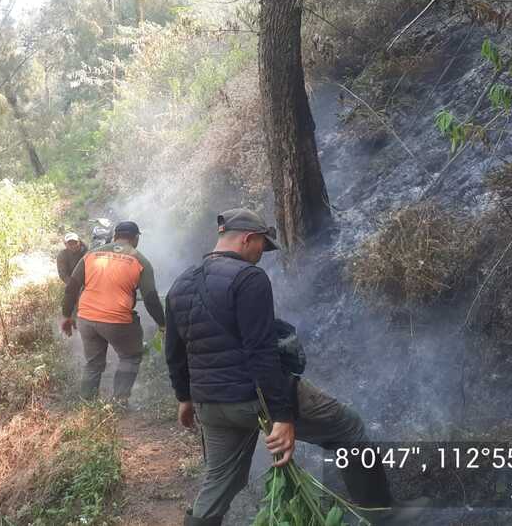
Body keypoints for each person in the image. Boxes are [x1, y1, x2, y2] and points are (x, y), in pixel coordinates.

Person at [164, 208, 392, 526]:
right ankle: (382, 515)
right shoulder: (249, 278)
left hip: (209, 403)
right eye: (262, 246)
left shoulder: (180, 285)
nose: (262, 255)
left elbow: (174, 351)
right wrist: (282, 417)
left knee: (218, 483)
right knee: (349, 430)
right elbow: (262, 351)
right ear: (248, 238)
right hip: (252, 398)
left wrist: (184, 398)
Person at [62, 221, 165, 405]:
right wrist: (162, 323)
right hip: (117, 321)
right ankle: (119, 401)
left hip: (86, 318)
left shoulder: (91, 255)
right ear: (136, 238)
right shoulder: (140, 260)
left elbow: (71, 288)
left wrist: (66, 316)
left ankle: (87, 403)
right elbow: (150, 298)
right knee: (130, 356)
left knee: (93, 363)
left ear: (115, 236)